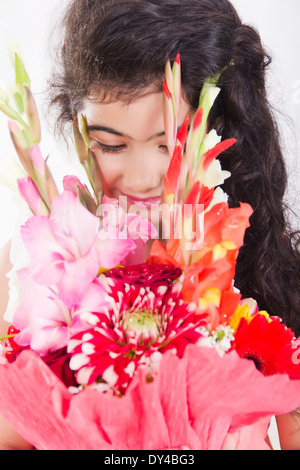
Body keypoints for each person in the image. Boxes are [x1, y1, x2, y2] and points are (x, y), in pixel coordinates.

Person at [0, 0, 300, 450]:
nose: (140, 180)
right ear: (82, 134)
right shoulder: (34, 269)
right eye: (112, 146)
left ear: (213, 132)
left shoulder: (267, 269)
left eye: (168, 146)